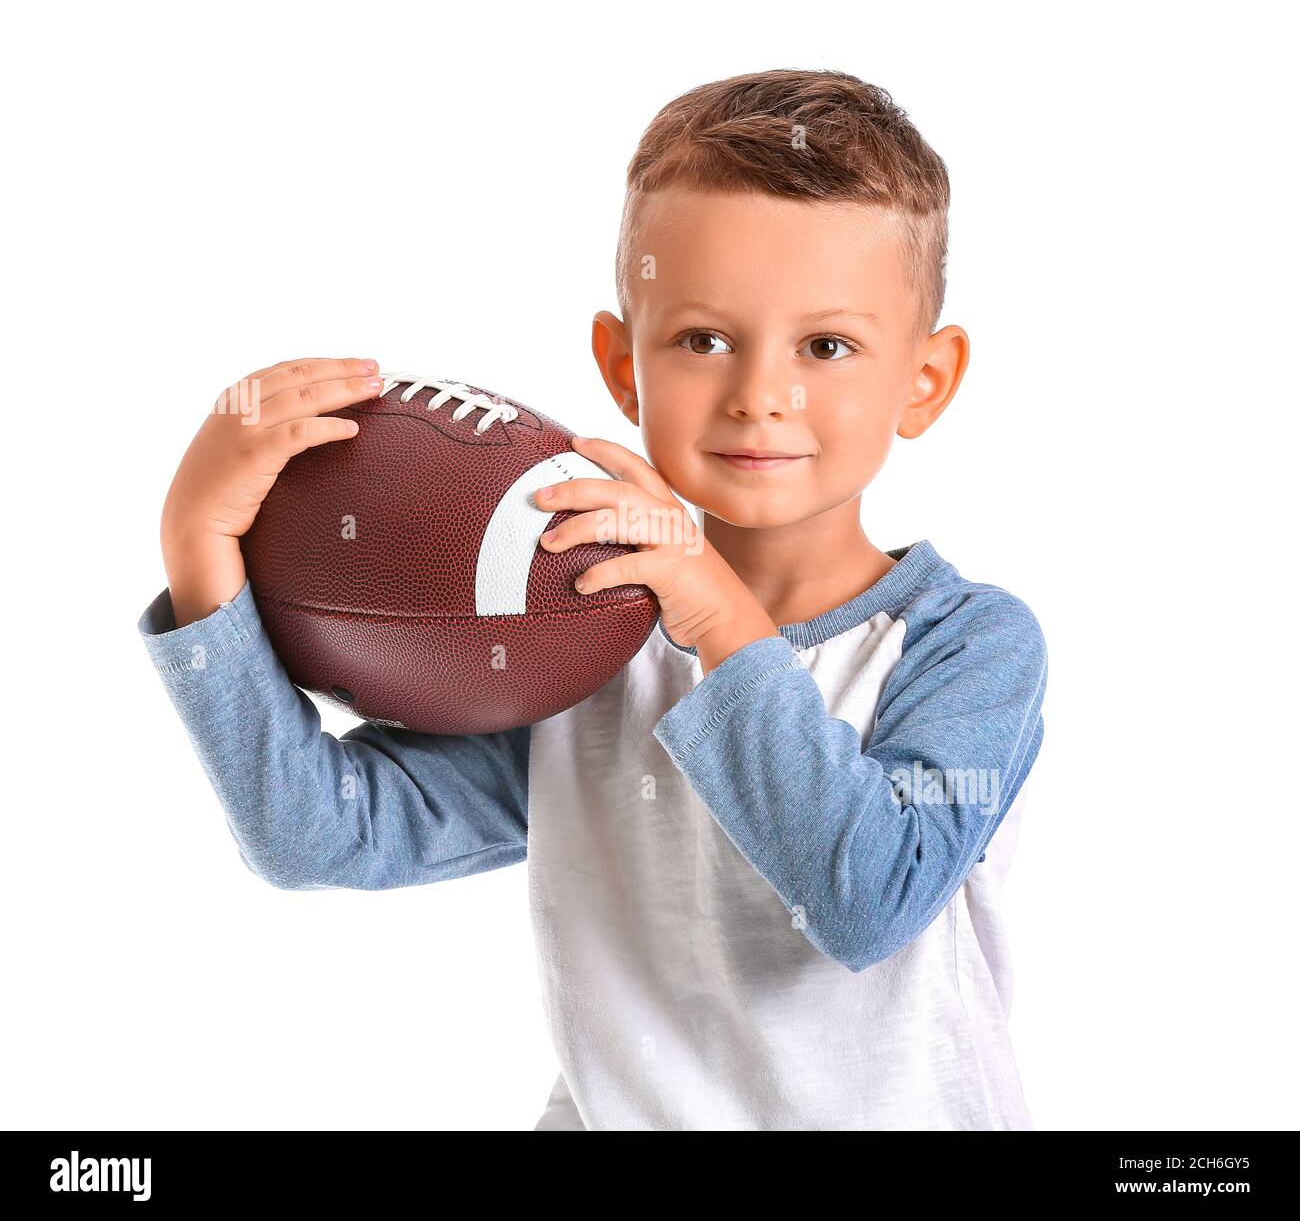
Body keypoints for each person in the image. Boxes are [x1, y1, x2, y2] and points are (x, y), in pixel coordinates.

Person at [138, 69, 1048, 1130]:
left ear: (924, 382)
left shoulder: (970, 643)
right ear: (623, 365)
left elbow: (862, 897)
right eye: (703, 339)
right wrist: (202, 555)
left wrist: (715, 618)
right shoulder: (577, 639)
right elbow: (319, 835)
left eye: (826, 346)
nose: (761, 392)